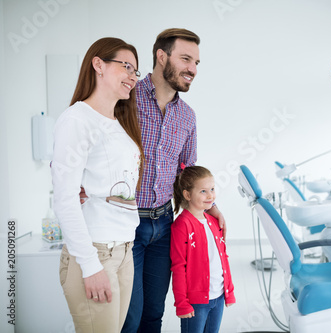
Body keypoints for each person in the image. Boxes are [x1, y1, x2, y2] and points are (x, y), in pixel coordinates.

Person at [121, 28, 226, 333]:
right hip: (127, 224)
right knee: (131, 316)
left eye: (196, 62)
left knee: (154, 313)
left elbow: (188, 172)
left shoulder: (187, 116)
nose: (192, 68)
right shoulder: (126, 98)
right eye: (185, 59)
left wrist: (210, 206)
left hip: (164, 224)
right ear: (161, 56)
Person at [51, 37, 144, 332]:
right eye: (126, 66)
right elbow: (65, 198)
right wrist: (91, 267)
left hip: (124, 250)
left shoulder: (119, 123)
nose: (132, 76)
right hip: (95, 252)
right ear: (98, 65)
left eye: (136, 71)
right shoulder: (77, 120)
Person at [170, 165, 235, 333]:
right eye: (203, 191)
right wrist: (182, 303)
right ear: (187, 194)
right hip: (196, 302)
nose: (210, 195)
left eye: (212, 189)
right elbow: (178, 267)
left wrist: (229, 290)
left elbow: (223, 258)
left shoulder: (214, 221)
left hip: (218, 297)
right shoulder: (181, 225)